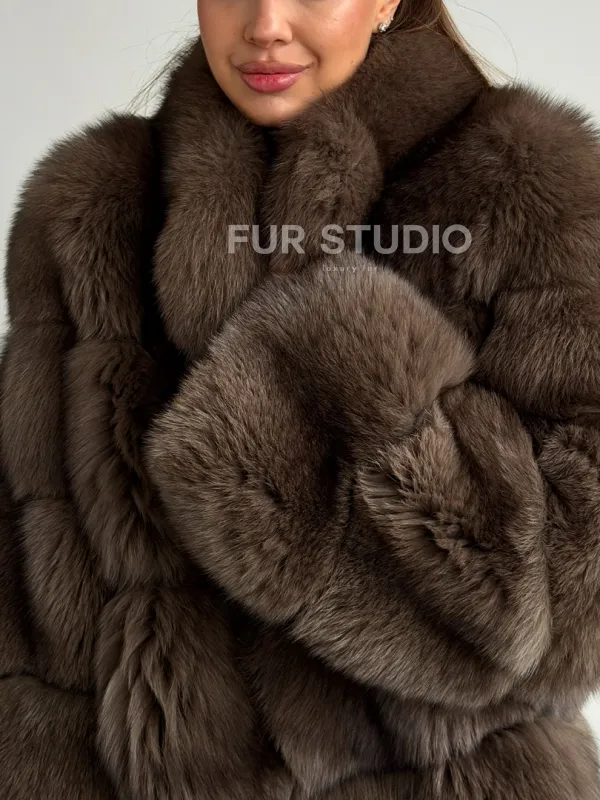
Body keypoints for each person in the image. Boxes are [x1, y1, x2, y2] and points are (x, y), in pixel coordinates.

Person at [2, 0, 600, 797]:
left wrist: (315, 366)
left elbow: (568, 615)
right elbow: (32, 602)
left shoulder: (527, 186)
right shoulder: (89, 211)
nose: (266, 24)